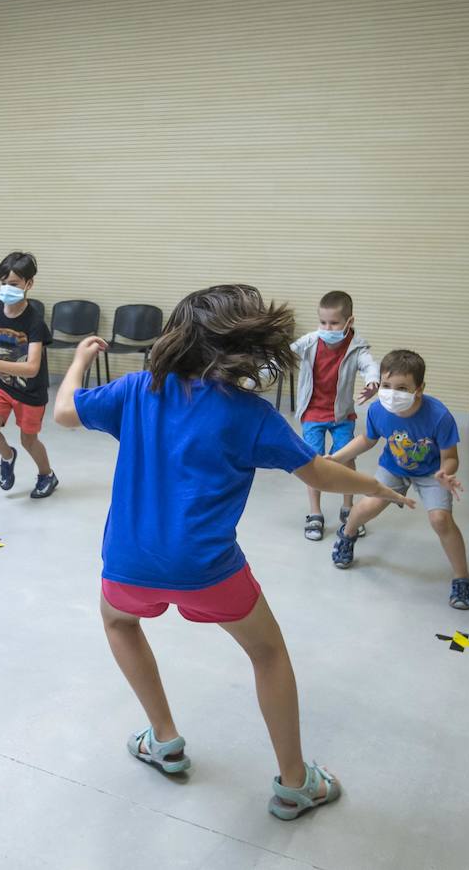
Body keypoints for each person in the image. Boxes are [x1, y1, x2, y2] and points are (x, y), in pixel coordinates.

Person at [53, 284, 413, 820]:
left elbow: (64, 413)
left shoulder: (135, 391)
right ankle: (295, 783)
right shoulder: (249, 414)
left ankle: (165, 739)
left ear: (176, 336)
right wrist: (376, 488)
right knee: (267, 653)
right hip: (208, 569)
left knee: (119, 623)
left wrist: (79, 362)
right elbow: (316, 471)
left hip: (130, 562)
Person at [327, 350, 469, 610]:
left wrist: (446, 472)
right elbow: (367, 440)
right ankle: (347, 535)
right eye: (386, 385)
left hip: (432, 473)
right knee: (367, 507)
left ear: (419, 389)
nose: (392, 393)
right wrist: (336, 459)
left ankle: (463, 578)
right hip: (393, 466)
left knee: (441, 520)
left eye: (402, 388)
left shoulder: (439, 416)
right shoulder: (378, 410)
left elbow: (450, 456)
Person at [291, 290, 380, 542]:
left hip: (342, 415)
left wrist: (373, 380)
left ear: (349, 322)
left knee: (346, 459)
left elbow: (369, 364)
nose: (327, 328)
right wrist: (264, 370)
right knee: (312, 462)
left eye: (334, 323)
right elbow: (285, 355)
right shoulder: (309, 341)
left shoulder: (356, 346)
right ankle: (315, 513)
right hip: (312, 413)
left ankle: (348, 509)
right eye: (323, 322)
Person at [0, 251, 57, 498]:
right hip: (1, 384)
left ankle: (47, 475)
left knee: (29, 440)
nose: (6, 288)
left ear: (29, 284)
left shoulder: (34, 322)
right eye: (3, 283)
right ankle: (7, 457)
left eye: (13, 284)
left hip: (30, 391)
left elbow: (32, 367)